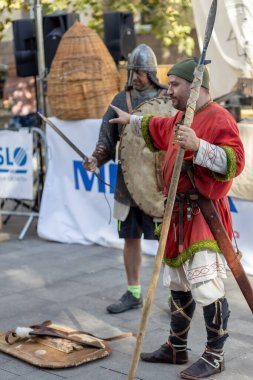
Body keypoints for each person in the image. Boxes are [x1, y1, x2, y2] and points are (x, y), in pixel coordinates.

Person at [109, 58, 245, 379]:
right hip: (177, 214)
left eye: (174, 85)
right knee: (178, 283)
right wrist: (132, 120)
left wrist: (198, 145)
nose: (168, 90)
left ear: (196, 87)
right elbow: (157, 126)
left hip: (203, 215)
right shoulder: (182, 117)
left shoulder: (219, 118)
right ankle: (177, 346)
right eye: (168, 84)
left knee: (205, 283)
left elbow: (234, 161)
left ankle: (214, 355)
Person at [83, 44, 168, 314]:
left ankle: (178, 294)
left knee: (168, 242)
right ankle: (134, 292)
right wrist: (96, 158)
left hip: (159, 186)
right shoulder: (120, 100)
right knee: (131, 239)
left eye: (140, 72)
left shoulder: (168, 99)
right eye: (133, 71)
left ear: (151, 73)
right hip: (129, 183)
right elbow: (106, 142)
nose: (135, 77)